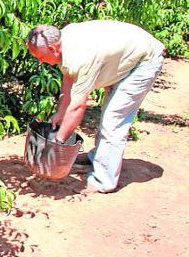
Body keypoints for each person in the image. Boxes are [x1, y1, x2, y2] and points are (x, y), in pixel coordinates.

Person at [26, 20, 165, 194]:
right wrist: (60, 113)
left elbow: (78, 106)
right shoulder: (64, 42)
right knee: (109, 115)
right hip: (126, 57)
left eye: (40, 57)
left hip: (143, 62)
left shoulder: (81, 56)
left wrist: (58, 142)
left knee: (113, 120)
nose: (40, 62)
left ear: (53, 49)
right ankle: (98, 157)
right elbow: (68, 81)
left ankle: (104, 181)